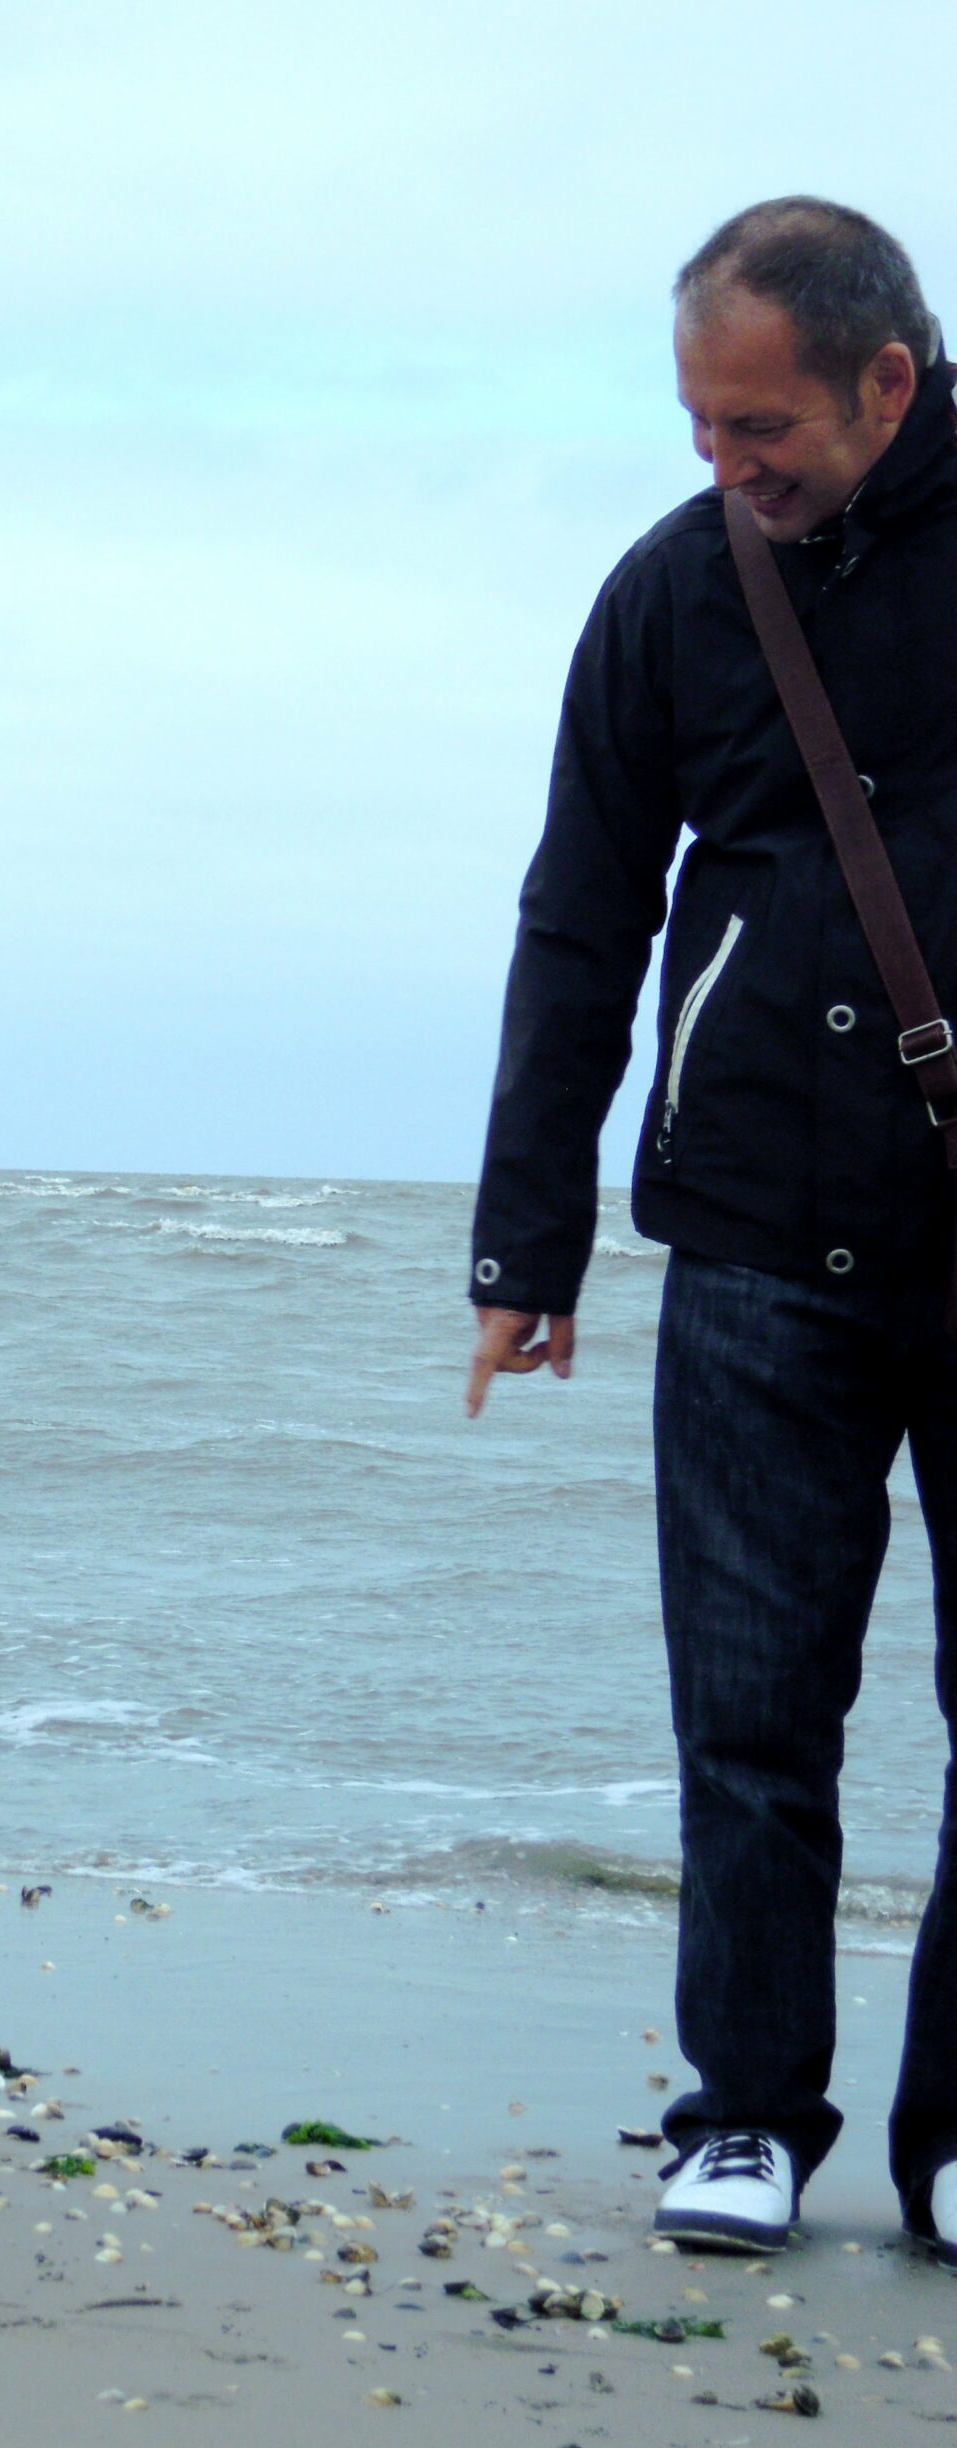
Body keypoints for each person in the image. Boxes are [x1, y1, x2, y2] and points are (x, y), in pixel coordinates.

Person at [466, 198, 957, 2258]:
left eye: (758, 425)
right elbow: (579, 908)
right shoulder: (671, 595)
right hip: (757, 1226)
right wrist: (526, 1247)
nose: (723, 464)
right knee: (751, 1712)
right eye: (697, 423)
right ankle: (745, 2109)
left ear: (888, 383)